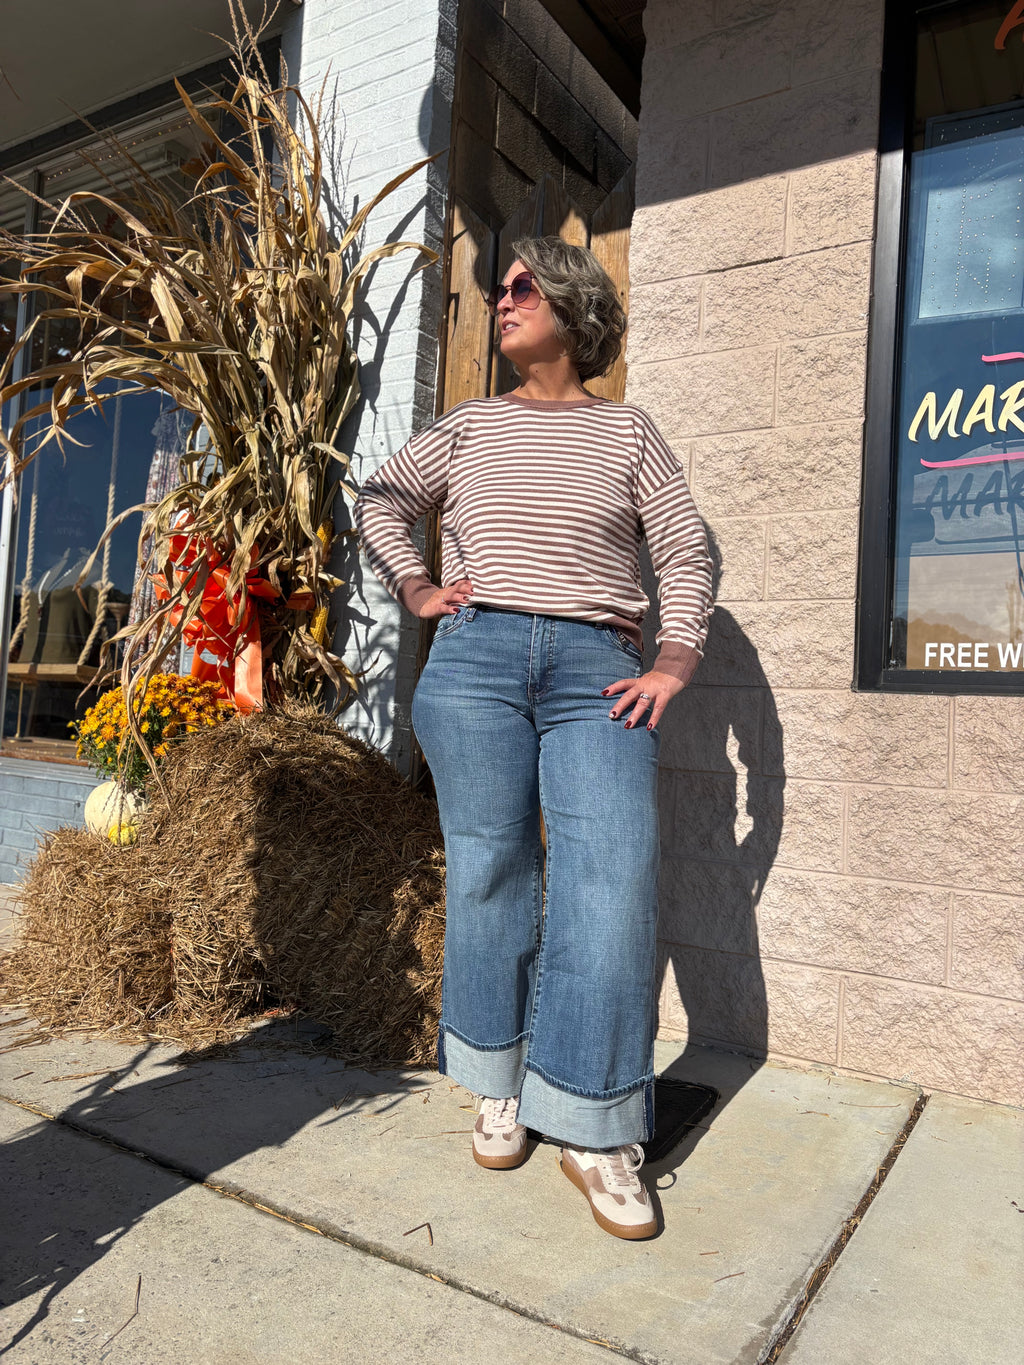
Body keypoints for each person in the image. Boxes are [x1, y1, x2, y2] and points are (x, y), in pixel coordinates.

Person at [354, 235, 714, 1240]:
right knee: (488, 869)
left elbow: (682, 547)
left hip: (598, 669)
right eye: (501, 287)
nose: (502, 299)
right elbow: (382, 501)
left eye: (521, 287)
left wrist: (674, 659)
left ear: (572, 306)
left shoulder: (629, 433)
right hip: (474, 660)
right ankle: (495, 1077)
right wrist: (419, 588)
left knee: (611, 871)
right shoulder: (467, 426)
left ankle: (595, 1125)